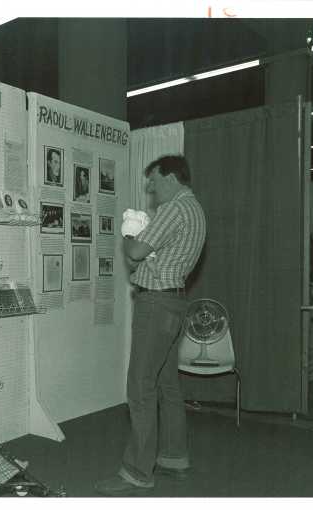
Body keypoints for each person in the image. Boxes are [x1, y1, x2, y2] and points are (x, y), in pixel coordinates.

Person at [95, 155, 206, 496]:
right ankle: (174, 457)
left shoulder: (174, 208)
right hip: (174, 301)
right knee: (167, 384)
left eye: (154, 181)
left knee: (140, 386)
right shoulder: (196, 209)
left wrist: (127, 238)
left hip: (156, 303)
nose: (151, 188)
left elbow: (138, 252)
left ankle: (137, 471)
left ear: (171, 177)